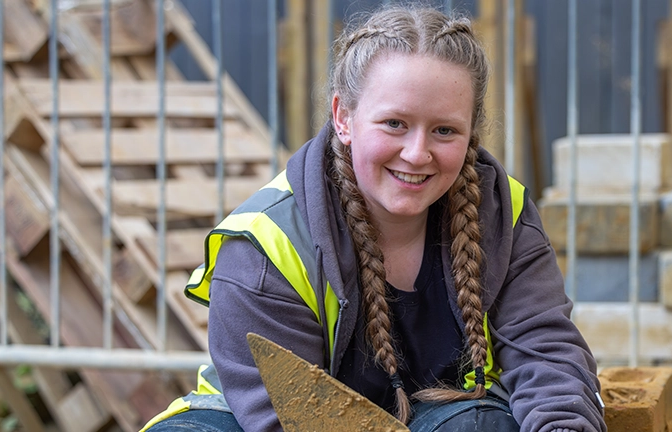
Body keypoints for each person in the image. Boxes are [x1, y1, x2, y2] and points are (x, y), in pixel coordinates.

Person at [144, 5, 604, 432]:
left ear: (471, 134)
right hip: (266, 422)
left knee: (478, 424)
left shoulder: (503, 214)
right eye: (394, 124)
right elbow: (286, 416)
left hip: (441, 414)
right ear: (343, 117)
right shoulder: (266, 246)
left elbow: (546, 350)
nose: (417, 152)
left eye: (445, 130)